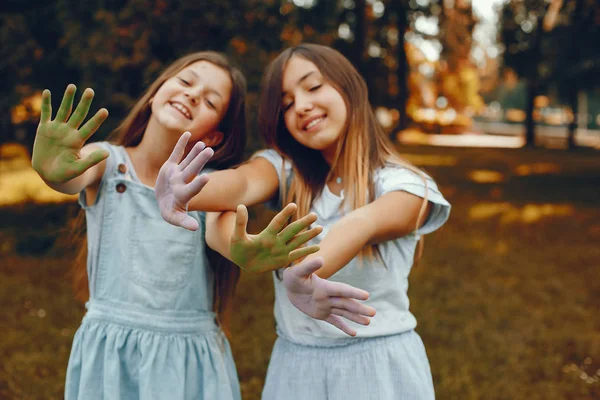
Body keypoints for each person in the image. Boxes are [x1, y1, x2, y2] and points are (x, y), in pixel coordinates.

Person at [32, 51, 374, 400]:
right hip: (110, 358)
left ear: (213, 138)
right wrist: (53, 172)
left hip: (186, 364)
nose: (193, 94)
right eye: (185, 81)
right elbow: (73, 176)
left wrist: (243, 251)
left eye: (210, 100)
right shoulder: (106, 162)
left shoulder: (208, 187)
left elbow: (220, 232)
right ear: (156, 92)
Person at [156, 44, 451, 399]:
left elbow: (363, 223)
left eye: (312, 87)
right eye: (287, 104)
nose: (302, 106)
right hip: (295, 368)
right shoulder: (285, 172)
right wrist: (186, 189)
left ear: (349, 87)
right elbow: (242, 183)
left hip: (380, 368)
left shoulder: (405, 184)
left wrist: (307, 274)